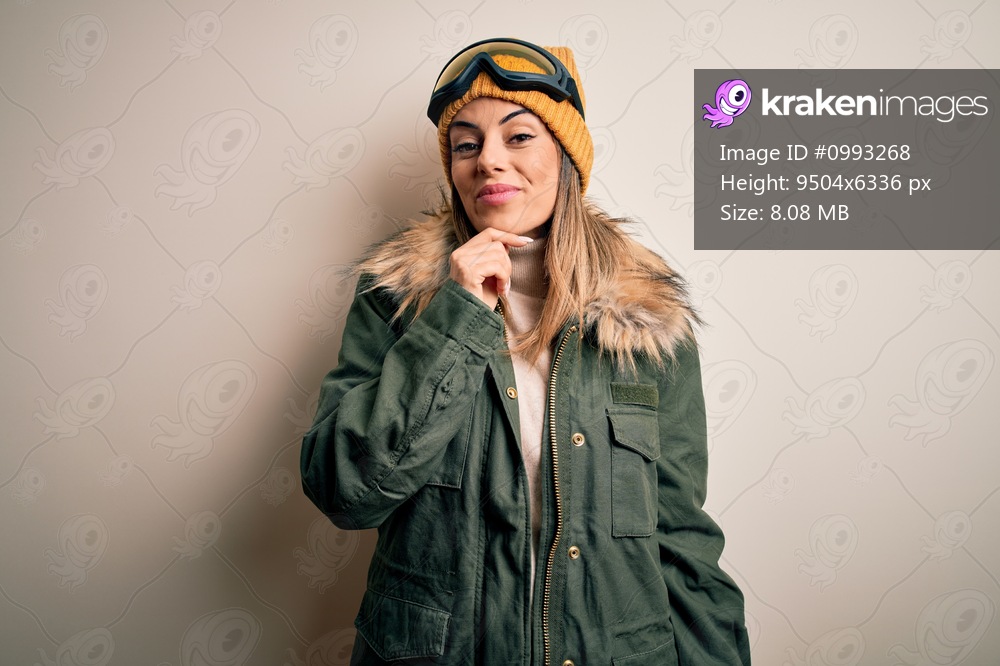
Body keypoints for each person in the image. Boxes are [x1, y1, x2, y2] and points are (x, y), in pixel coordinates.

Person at [301, 38, 751, 665]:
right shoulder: (396, 298)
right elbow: (344, 489)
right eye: (466, 143)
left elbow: (681, 539)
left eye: (518, 137)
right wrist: (455, 315)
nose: (488, 161)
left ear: (565, 155)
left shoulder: (646, 319)